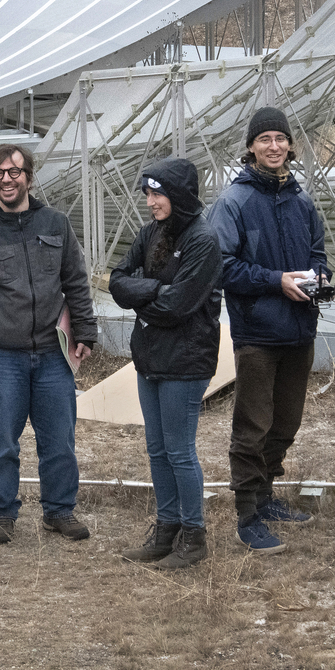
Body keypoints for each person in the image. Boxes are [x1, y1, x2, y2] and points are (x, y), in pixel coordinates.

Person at [0, 144, 97, 546]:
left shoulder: (56, 224)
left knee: (59, 440)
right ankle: (2, 514)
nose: (6, 179)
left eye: (14, 172)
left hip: (53, 354)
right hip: (1, 355)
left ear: (29, 177)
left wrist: (84, 332)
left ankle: (59, 511)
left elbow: (75, 282)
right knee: (1, 440)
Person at [210, 106, 328, 555]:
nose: (274, 146)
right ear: (251, 148)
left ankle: (266, 495)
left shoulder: (301, 200)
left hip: (300, 329)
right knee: (253, 424)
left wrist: (316, 279)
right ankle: (246, 515)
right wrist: (275, 280)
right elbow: (220, 266)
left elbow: (316, 250)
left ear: (291, 146)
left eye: (280, 138)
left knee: (286, 422)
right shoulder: (234, 202)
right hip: (258, 332)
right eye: (265, 140)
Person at [110, 157, 222, 569]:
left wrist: (148, 301)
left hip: (186, 360)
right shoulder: (151, 232)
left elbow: (179, 306)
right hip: (151, 356)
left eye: (157, 194)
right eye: (147, 193)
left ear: (178, 195)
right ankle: (166, 528)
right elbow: (117, 281)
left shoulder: (203, 240)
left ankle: (194, 536)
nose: (149, 201)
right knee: (157, 449)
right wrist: (155, 288)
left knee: (178, 450)